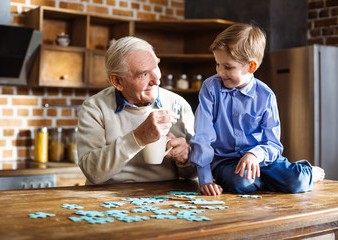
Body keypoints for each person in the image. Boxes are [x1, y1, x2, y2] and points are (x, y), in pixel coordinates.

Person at [190, 23, 325, 196]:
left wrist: (254, 154)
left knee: (296, 182)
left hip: (263, 159)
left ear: (251, 67)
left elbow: (273, 143)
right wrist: (205, 178)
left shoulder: (266, 96)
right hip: (226, 162)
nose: (220, 72)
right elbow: (202, 135)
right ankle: (265, 180)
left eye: (228, 67)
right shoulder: (210, 88)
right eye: (217, 64)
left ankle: (307, 172)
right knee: (241, 183)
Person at [77, 36, 196, 185]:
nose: (157, 80)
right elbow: (92, 172)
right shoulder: (95, 107)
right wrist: (139, 137)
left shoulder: (178, 103)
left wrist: (186, 158)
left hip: (164, 199)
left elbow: (192, 175)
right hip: (107, 199)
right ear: (118, 81)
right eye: (144, 74)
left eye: (156, 67)